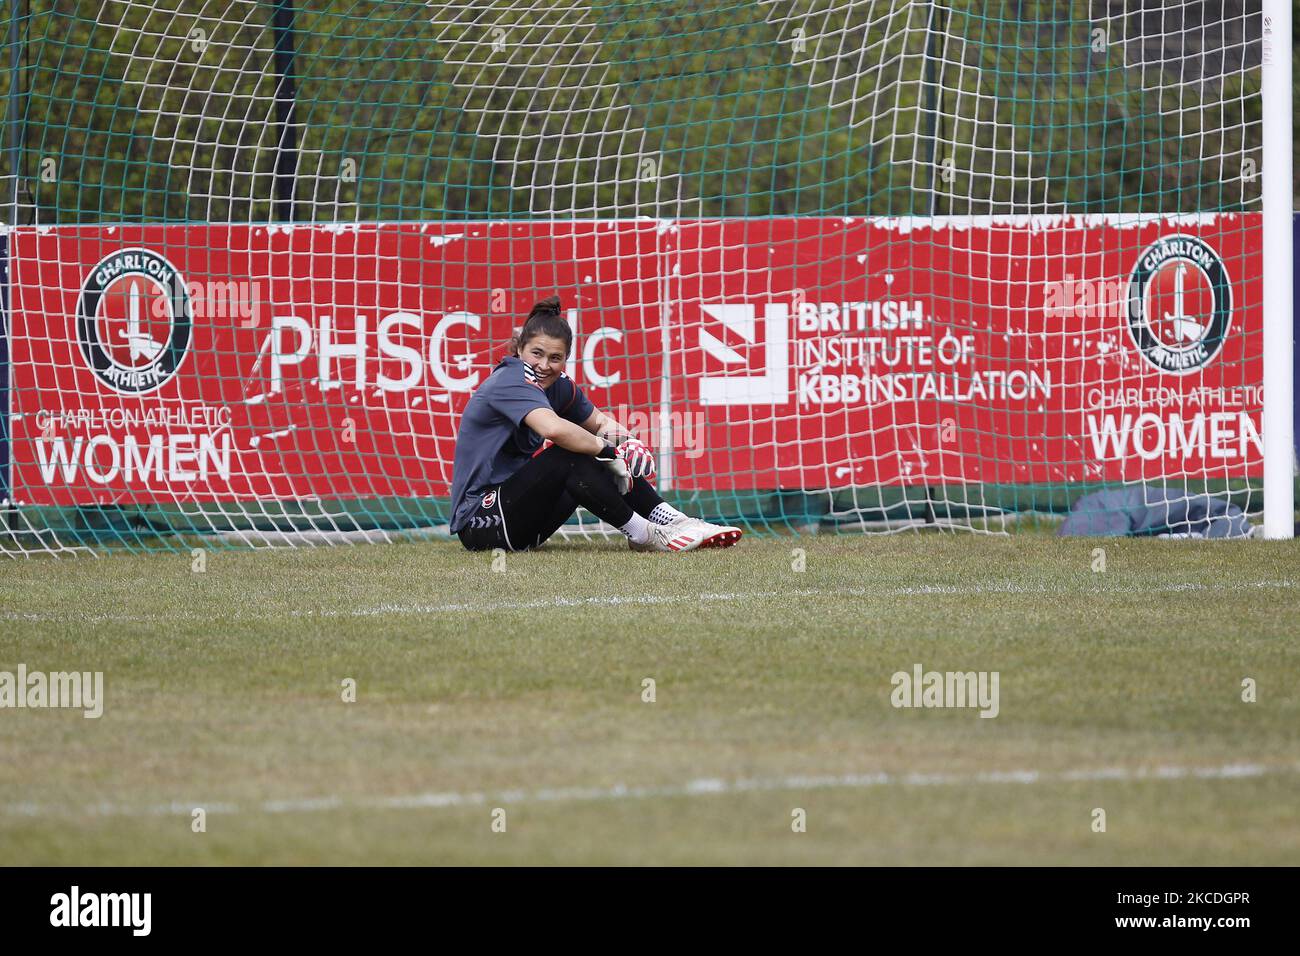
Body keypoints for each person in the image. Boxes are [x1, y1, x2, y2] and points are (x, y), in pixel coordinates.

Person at [449, 295, 742, 553]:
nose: (544, 365)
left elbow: (599, 421)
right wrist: (608, 451)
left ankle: (675, 521)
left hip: (526, 525)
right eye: (536, 353)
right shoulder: (511, 379)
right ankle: (645, 535)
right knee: (571, 453)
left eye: (555, 358)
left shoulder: (559, 385)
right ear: (519, 348)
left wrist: (627, 443)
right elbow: (555, 429)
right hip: (482, 524)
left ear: (566, 359)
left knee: (598, 451)